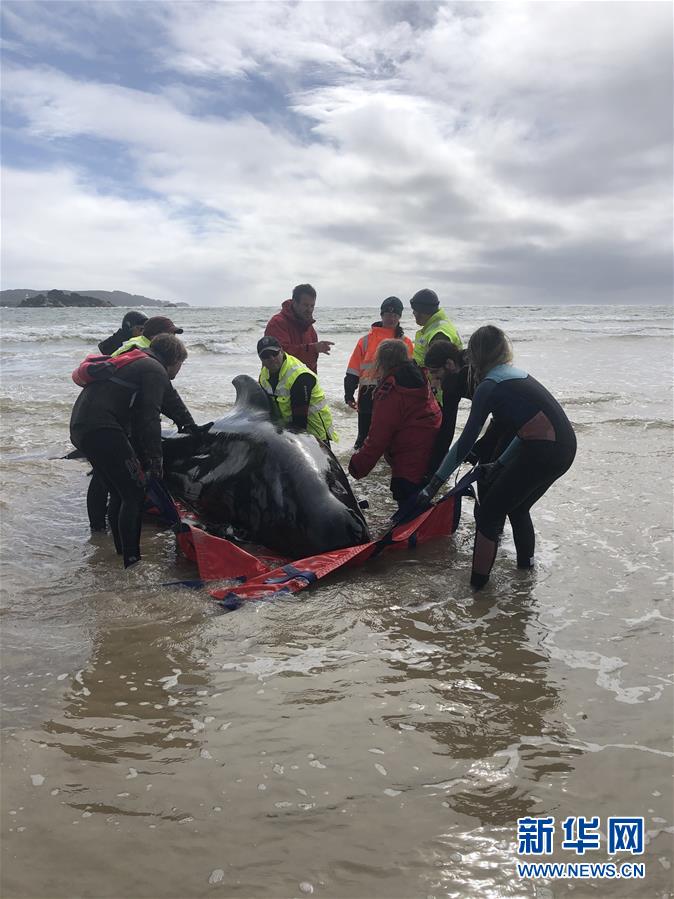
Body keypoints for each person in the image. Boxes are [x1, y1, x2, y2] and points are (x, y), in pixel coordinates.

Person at [412, 325, 577, 590]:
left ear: (474, 356)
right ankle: (526, 573)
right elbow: (528, 430)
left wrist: (434, 483)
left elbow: (465, 441)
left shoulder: (488, 386)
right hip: (564, 447)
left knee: (489, 513)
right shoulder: (511, 374)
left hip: (544, 450)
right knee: (517, 507)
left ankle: (477, 590)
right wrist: (499, 463)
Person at [70, 334, 194, 568]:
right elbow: (148, 418)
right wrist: (155, 460)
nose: (180, 369)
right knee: (134, 493)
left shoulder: (140, 362)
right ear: (175, 358)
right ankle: (132, 562)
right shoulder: (153, 369)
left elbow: (170, 401)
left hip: (82, 428)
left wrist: (190, 425)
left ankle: (119, 555)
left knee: (119, 492)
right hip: (103, 429)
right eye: (181, 363)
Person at [348, 339, 441, 508]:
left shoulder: (391, 390)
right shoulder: (420, 378)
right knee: (422, 509)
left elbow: (379, 436)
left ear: (382, 362)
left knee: (408, 514)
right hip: (432, 456)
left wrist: (357, 466)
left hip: (409, 462)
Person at [344, 296, 414, 449]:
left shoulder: (406, 342)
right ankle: (358, 469)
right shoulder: (365, 341)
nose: (391, 318)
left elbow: (411, 374)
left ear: (400, 317)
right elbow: (353, 369)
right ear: (381, 315)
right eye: (388, 314)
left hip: (394, 395)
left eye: (395, 315)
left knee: (392, 438)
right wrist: (348, 393)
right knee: (363, 438)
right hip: (367, 395)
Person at [257, 336, 337, 443]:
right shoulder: (264, 374)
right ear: (260, 358)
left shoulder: (300, 376)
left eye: (274, 353)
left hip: (314, 434)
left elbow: (300, 422)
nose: (271, 359)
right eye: (265, 356)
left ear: (281, 350)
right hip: (289, 430)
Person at [264, 284, 333, 373]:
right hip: (278, 382)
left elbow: (312, 365)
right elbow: (280, 357)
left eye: (312, 306)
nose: (309, 310)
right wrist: (313, 349)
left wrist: (314, 382)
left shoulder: (310, 328)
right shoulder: (277, 323)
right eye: (305, 305)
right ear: (294, 303)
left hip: (304, 382)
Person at [409, 288, 462, 366]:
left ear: (423, 312)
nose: (413, 313)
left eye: (415, 310)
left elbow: (440, 370)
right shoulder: (435, 326)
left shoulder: (439, 334)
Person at [111, 316, 184, 357]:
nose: (174, 338)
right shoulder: (137, 349)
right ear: (154, 335)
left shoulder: (147, 345)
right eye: (170, 334)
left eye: (174, 334)